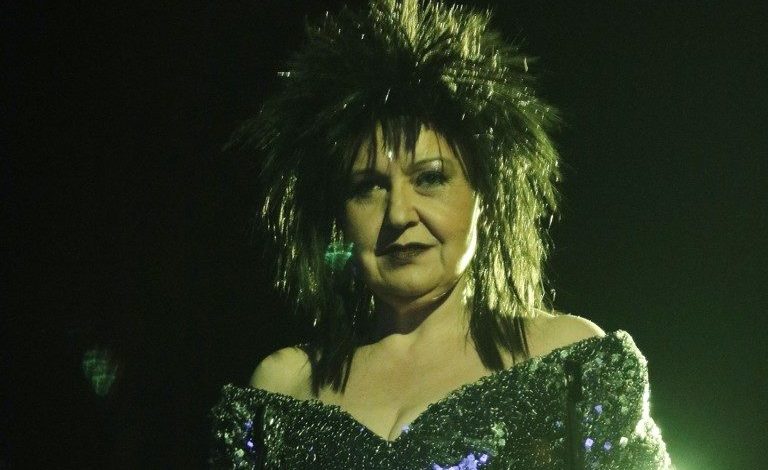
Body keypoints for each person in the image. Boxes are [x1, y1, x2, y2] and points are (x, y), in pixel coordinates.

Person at [211, 0, 672, 468]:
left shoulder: (569, 363)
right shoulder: (282, 391)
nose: (398, 214)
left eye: (430, 178)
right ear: (337, 215)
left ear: (485, 197)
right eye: (368, 187)